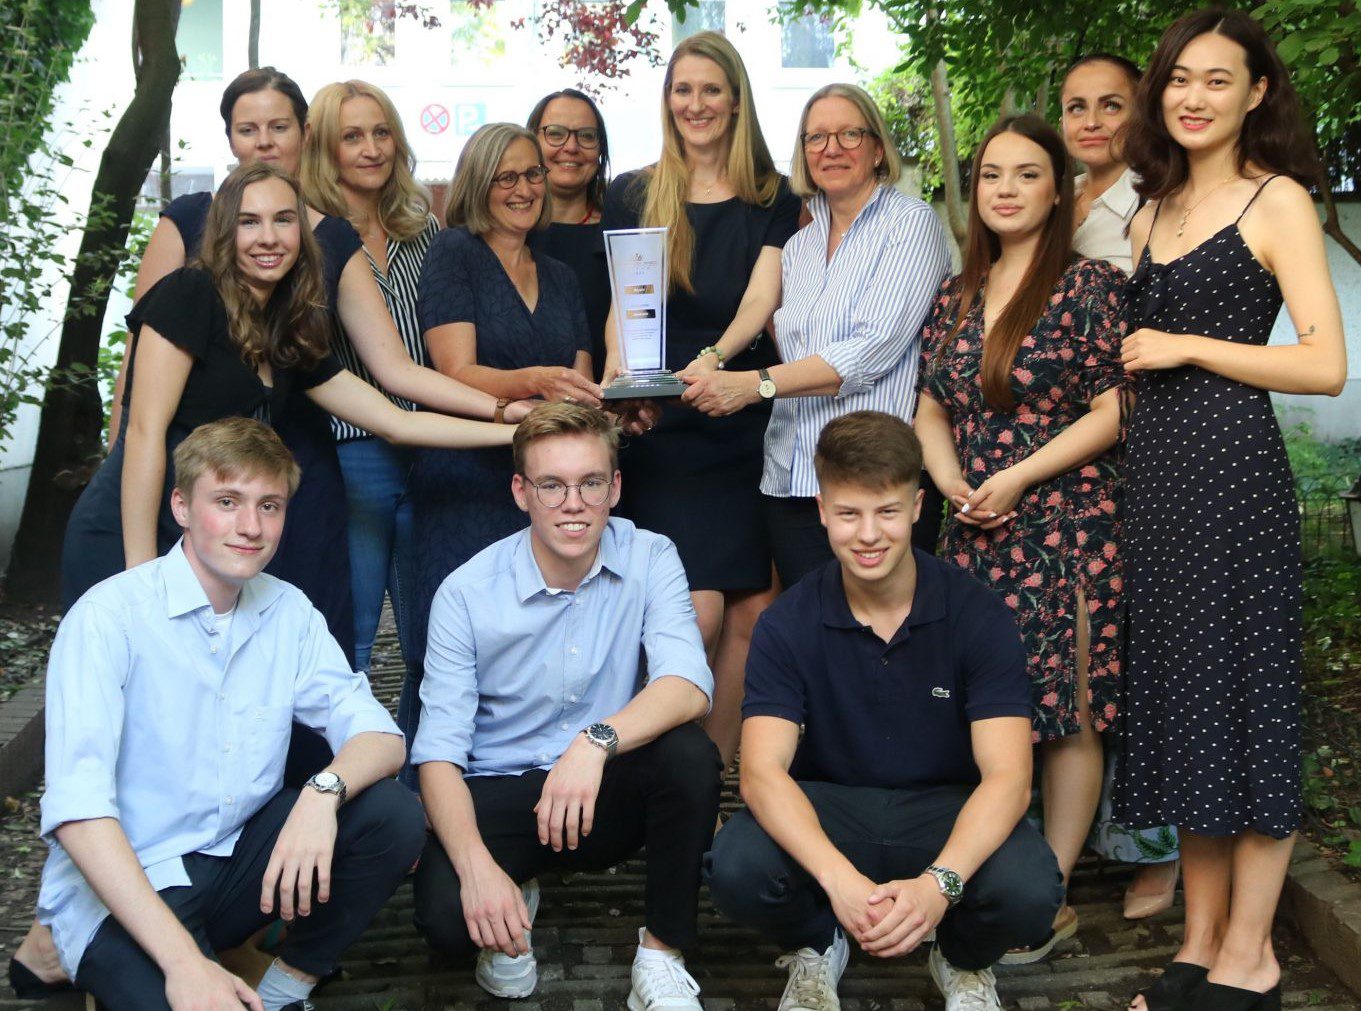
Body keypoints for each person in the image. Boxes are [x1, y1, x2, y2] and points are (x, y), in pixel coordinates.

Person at [109, 67, 517, 663]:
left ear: (306, 234)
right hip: (147, 527)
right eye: (249, 223)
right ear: (224, 230)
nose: (268, 237)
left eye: (284, 222)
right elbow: (143, 431)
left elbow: (396, 416)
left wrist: (515, 425)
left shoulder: (288, 327)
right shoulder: (190, 295)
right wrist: (139, 579)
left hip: (210, 516)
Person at [35, 417, 426, 1011]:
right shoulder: (109, 618)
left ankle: (285, 985)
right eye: (227, 501)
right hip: (127, 889)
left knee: (390, 813)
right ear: (182, 507)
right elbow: (79, 813)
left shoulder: (288, 610)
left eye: (269, 506)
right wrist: (184, 965)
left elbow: (381, 736)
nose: (251, 527)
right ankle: (100, 964)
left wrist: (321, 795)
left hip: (234, 860)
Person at [1115, 11, 1346, 1010]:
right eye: (1178, 78)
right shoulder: (1146, 210)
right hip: (1157, 489)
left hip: (1234, 484)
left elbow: (1324, 363)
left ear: (1255, 94)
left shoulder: (1275, 199)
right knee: (1187, 713)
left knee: (1246, 707)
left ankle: (1249, 956)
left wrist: (1187, 347)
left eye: (1217, 79)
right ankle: (1197, 945)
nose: (1193, 96)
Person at [705, 411, 1063, 1011]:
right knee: (736, 868)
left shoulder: (977, 613)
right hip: (831, 805)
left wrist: (938, 886)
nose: (868, 535)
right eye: (849, 514)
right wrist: (838, 881)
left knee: (1031, 890)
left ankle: (961, 958)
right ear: (822, 511)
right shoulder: (787, 621)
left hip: (945, 808)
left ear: (918, 507)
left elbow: (1008, 777)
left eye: (887, 512)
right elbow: (761, 773)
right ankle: (818, 941)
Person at [411, 403, 721, 1010]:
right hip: (504, 788)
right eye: (551, 485)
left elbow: (688, 683)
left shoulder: (651, 555)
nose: (573, 504)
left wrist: (594, 743)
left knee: (689, 755)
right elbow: (438, 754)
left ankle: (661, 953)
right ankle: (511, 883)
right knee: (447, 921)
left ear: (616, 488)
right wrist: (477, 869)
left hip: (601, 785)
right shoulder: (466, 592)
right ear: (521, 492)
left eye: (590, 483)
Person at [914, 114, 1126, 962]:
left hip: (1066, 520)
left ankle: (1050, 894)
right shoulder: (954, 292)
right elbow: (930, 406)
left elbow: (1115, 408)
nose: (1005, 189)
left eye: (1026, 173)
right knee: (981, 705)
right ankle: (982, 873)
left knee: (1067, 710)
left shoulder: (1089, 285)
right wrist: (947, 481)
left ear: (1056, 189)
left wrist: (1021, 475)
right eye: (991, 174)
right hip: (972, 523)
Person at [601, 30, 801, 768]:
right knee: (695, 612)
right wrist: (621, 383)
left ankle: (704, 779)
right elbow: (623, 304)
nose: (696, 104)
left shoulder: (772, 195)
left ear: (736, 100)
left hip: (735, 412)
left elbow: (761, 296)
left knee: (752, 611)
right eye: (682, 89)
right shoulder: (632, 192)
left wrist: (715, 360)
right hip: (661, 426)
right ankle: (658, 774)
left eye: (711, 89)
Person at [299, 80, 531, 681]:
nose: (372, 148)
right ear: (324, 148)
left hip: (436, 445)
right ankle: (344, 742)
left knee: (428, 631)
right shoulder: (310, 236)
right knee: (350, 631)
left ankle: (416, 742)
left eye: (382, 133)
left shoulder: (422, 229)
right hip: (355, 450)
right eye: (352, 136)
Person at [682, 82, 950, 587]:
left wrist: (755, 384)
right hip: (794, 483)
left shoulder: (910, 225)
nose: (831, 149)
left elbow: (868, 350)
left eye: (849, 134)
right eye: (816, 138)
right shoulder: (799, 247)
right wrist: (713, 359)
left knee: (886, 631)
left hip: (877, 483)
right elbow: (772, 325)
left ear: (877, 149)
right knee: (815, 629)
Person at [405, 123, 603, 774]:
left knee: (535, 648)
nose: (523, 189)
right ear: (477, 184)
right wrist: (538, 380)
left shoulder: (560, 274)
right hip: (465, 475)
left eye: (532, 174)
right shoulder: (454, 252)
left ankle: (522, 796)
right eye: (506, 177)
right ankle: (431, 797)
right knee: (453, 653)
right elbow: (453, 370)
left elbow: (577, 381)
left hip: (546, 486)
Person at [1059, 53, 1182, 921]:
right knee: (1080, 658)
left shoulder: (1155, 198)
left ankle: (1157, 850)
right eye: (1076, 106)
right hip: (1059, 452)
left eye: (1110, 104)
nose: (1093, 121)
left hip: (1137, 441)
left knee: (1142, 648)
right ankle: (1071, 840)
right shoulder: (1060, 198)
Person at [526, 88, 613, 368]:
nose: (571, 147)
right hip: (520, 391)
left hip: (609, 388)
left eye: (586, 136)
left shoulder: (619, 230)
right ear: (531, 143)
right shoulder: (508, 235)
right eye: (555, 133)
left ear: (600, 149)